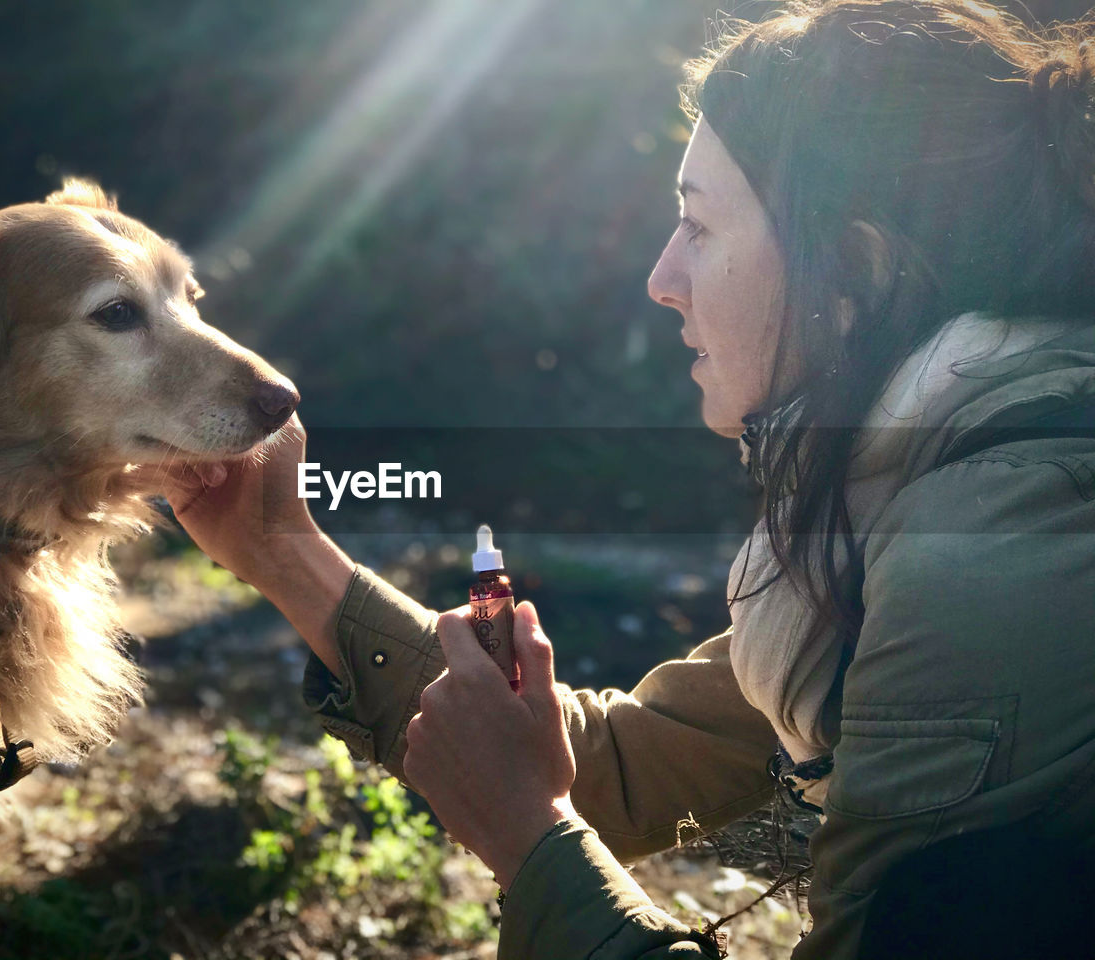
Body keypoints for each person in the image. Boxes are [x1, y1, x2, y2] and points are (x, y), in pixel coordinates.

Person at [162, 1, 1095, 956]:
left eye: (697, 225)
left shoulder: (1000, 558)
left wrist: (531, 838)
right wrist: (282, 551)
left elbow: (560, 798)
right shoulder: (904, 499)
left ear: (853, 269)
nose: (661, 276)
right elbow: (623, 771)